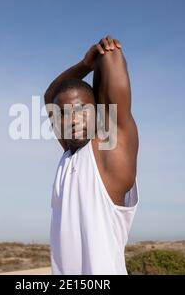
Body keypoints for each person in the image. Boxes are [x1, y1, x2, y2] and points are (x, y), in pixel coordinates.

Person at [44, 36, 140, 274]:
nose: (74, 118)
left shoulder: (109, 153)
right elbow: (50, 97)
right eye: (65, 113)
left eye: (82, 110)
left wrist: (107, 53)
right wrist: (85, 64)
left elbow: (113, 62)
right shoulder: (69, 155)